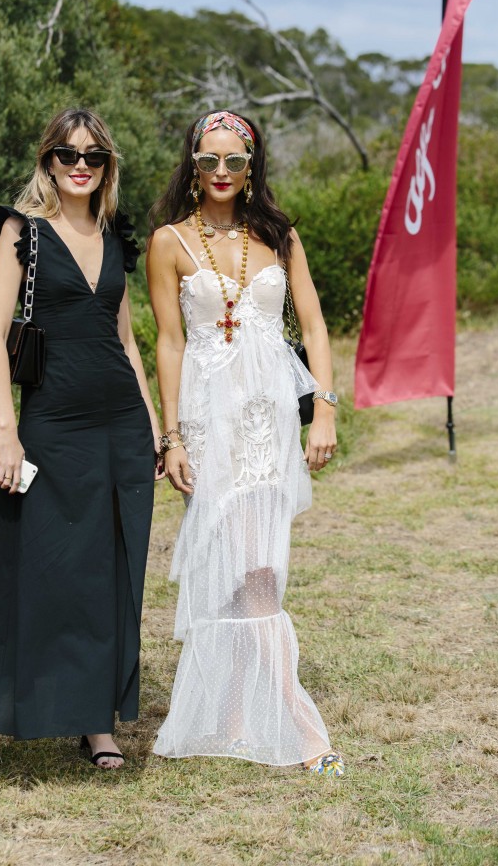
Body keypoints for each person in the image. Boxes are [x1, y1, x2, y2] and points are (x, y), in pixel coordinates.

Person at [0, 108, 161, 792]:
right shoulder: (21, 231)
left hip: (119, 422)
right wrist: (7, 429)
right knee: (17, 564)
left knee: (107, 571)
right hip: (51, 422)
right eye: (67, 153)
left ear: (107, 165)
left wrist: (152, 424)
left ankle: (94, 718)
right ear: (48, 161)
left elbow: (125, 339)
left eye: (93, 155)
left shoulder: (114, 234)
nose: (80, 165)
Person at [146, 110, 344, 775]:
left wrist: (324, 412)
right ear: (193, 165)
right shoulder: (169, 241)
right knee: (232, 564)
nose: (222, 172)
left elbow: (314, 328)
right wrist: (171, 437)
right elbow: (169, 343)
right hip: (207, 422)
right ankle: (280, 721)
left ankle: (254, 715)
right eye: (209, 160)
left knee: (258, 566)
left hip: (266, 421)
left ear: (252, 166)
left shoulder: (280, 236)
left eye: (235, 160)